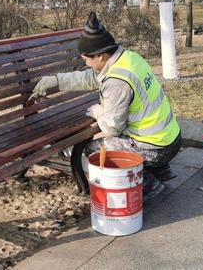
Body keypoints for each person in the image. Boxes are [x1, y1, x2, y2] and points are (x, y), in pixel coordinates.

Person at [29, 11, 181, 200]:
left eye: (86, 59)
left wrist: (97, 111)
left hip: (154, 148)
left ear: (100, 56)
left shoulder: (117, 80)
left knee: (91, 150)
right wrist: (55, 81)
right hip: (170, 138)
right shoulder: (129, 59)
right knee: (107, 142)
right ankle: (160, 170)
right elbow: (91, 78)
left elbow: (112, 127)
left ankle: (145, 184)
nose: (85, 62)